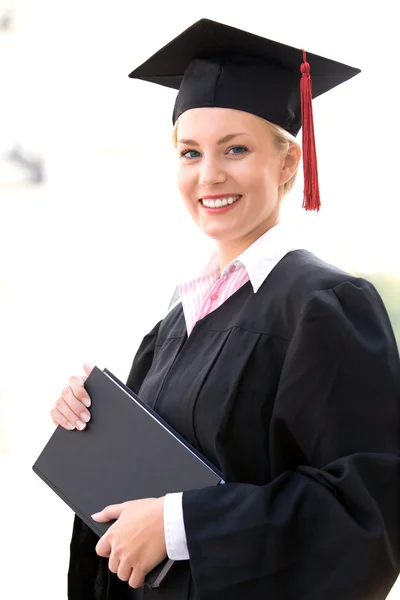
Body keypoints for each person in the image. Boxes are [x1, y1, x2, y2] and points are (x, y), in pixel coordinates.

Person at [49, 18, 400, 600]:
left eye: (235, 149)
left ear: (288, 164)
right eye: (191, 153)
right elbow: (142, 493)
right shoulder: (175, 321)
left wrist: (180, 526)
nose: (209, 175)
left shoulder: (325, 305)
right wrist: (94, 424)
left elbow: (368, 517)